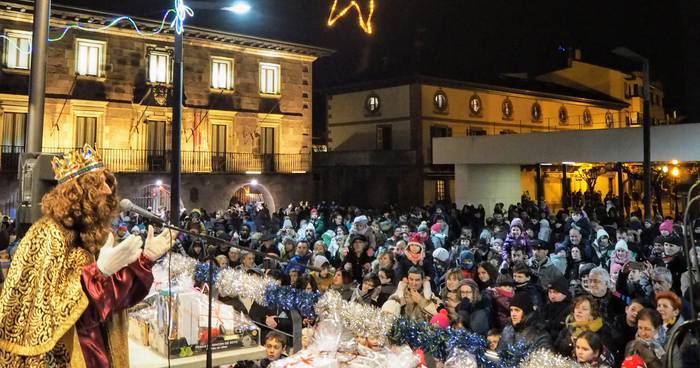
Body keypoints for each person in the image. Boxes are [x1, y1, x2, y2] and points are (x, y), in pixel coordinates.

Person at [0, 145, 173, 367]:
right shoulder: (46, 235)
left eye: (108, 183)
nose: (109, 192)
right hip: (64, 357)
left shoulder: (96, 237)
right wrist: (97, 273)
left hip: (99, 352)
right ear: (77, 193)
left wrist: (144, 260)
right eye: (100, 184)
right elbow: (44, 316)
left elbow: (110, 300)